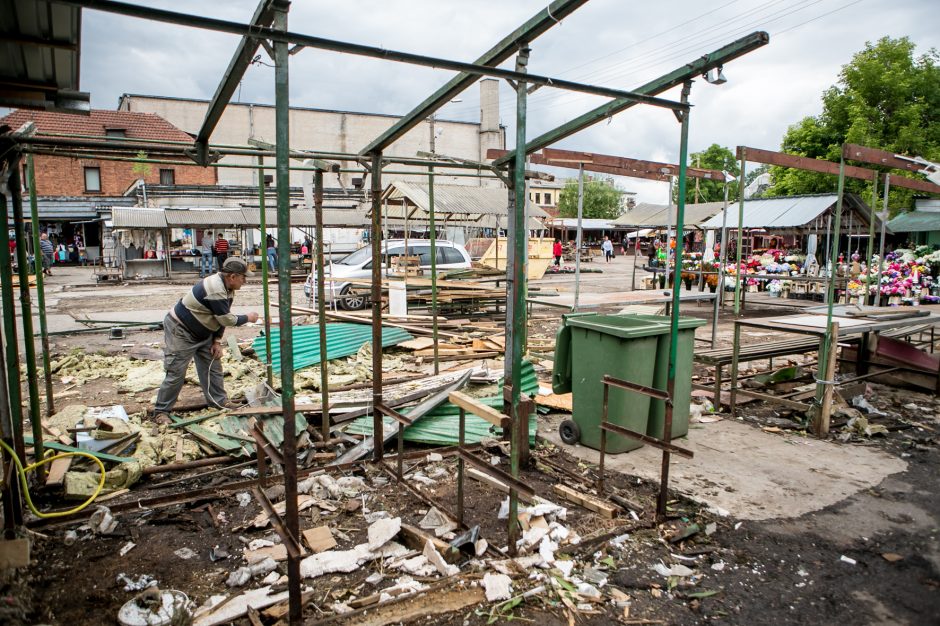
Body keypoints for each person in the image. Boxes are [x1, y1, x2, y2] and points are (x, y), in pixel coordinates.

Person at [152, 257, 260, 423]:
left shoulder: (228, 288)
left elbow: (220, 317)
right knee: (176, 371)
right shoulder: (215, 288)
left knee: (212, 366)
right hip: (181, 330)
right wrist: (248, 317)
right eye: (243, 277)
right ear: (232, 276)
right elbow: (226, 319)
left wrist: (216, 341)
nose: (245, 281)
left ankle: (219, 401)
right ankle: (161, 411)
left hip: (203, 332)